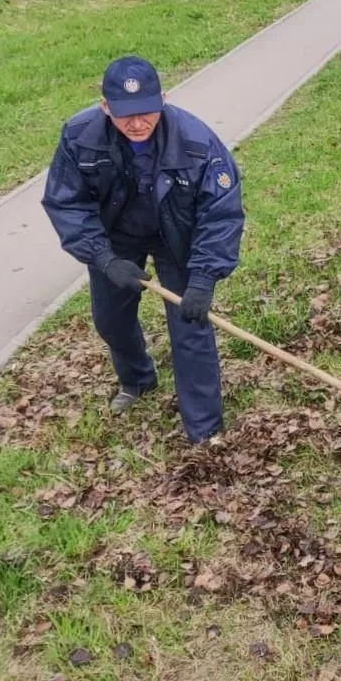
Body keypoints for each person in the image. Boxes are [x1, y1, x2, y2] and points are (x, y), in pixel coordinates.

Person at [42, 57, 245, 443]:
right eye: (124, 115)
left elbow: (221, 212)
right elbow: (66, 203)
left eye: (146, 112)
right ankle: (137, 379)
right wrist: (104, 258)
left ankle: (204, 429)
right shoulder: (79, 136)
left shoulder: (197, 142)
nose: (137, 124)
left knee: (191, 327)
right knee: (110, 320)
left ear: (163, 99)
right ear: (105, 106)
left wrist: (202, 278)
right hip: (116, 238)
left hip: (177, 237)